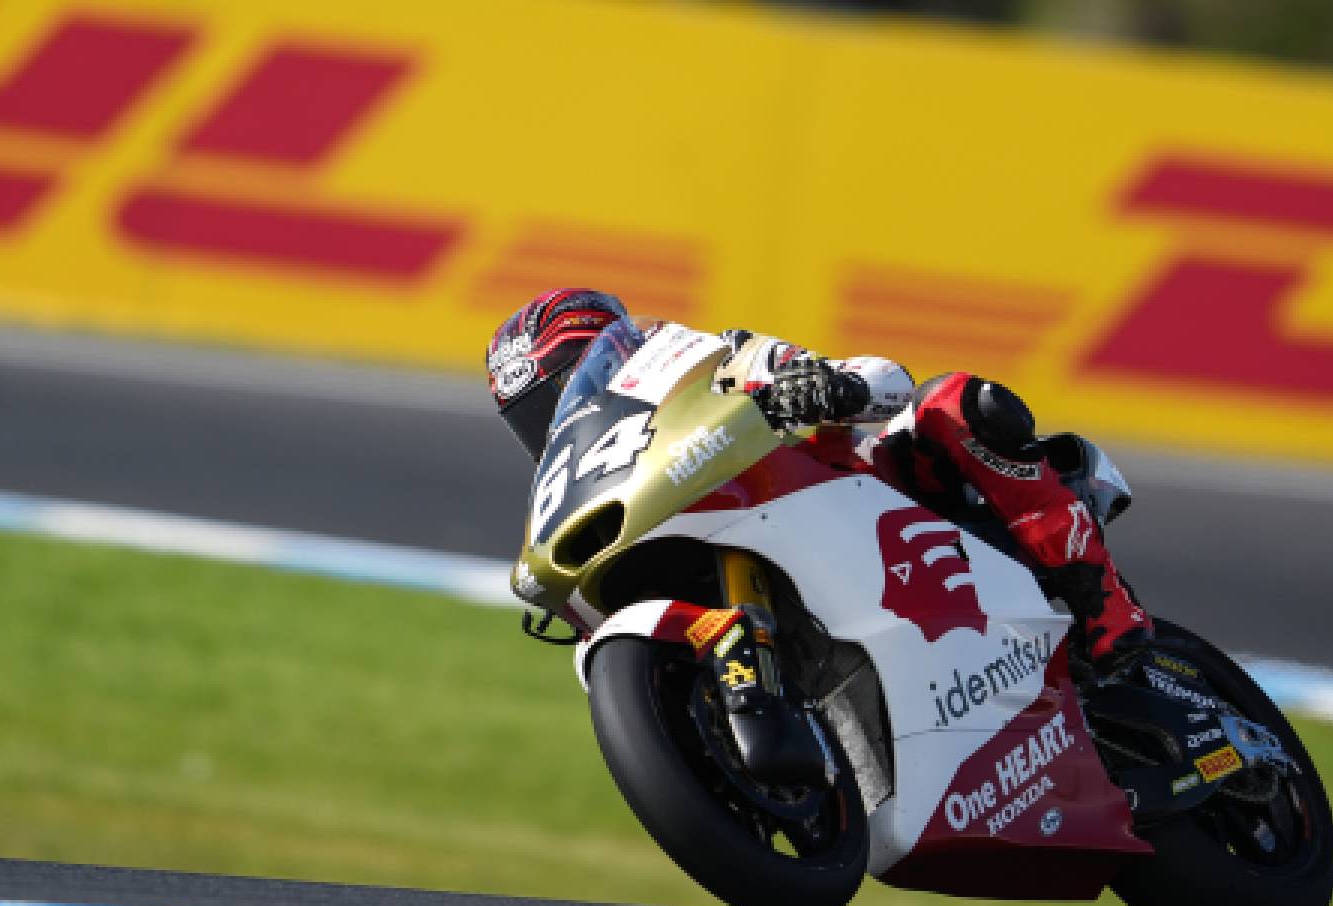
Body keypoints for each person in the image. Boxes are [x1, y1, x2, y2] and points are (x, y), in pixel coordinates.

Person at [483, 286, 1151, 667]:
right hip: (816, 588)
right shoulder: (586, 486)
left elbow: (884, 381)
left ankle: (1105, 606)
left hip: (875, 507)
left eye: (569, 383)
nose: (558, 417)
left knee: (952, 403)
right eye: (534, 413)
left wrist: (825, 384)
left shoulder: (705, 360)